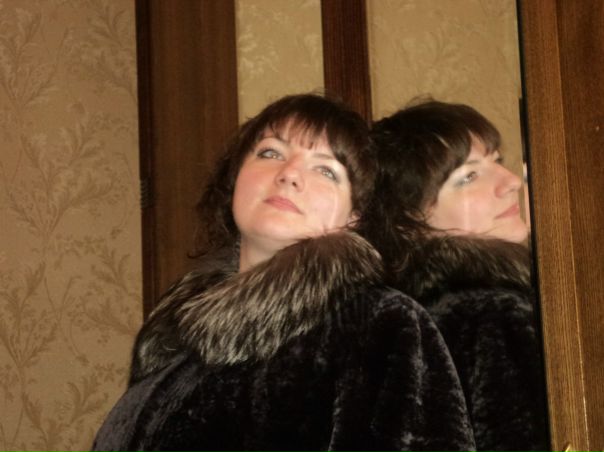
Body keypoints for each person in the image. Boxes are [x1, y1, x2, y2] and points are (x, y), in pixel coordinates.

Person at [91, 94, 476, 452]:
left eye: (326, 170)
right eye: (270, 152)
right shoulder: (169, 336)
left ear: (354, 216)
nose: (290, 174)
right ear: (235, 180)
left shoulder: (379, 322)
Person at [361, 99, 549, 452]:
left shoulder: (419, 316)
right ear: (408, 223)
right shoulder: (489, 312)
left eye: (497, 161)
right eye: (469, 177)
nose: (511, 181)